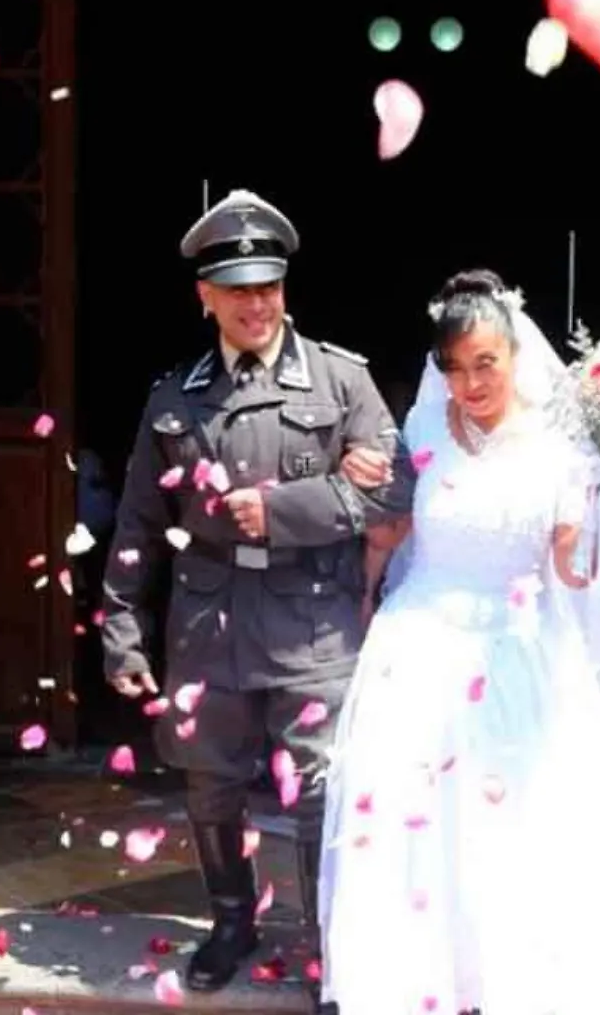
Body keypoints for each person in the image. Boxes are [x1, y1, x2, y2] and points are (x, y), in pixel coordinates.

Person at [317, 270, 600, 1013]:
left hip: (520, 648)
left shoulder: (563, 450)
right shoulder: (421, 431)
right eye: (454, 367)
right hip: (419, 641)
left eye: (485, 363)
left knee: (512, 821)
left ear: (515, 357)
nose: (469, 382)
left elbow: (572, 575)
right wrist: (363, 592)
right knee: (415, 815)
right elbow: (393, 532)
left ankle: (511, 976)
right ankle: (415, 973)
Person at [100, 189, 411, 1006]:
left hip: (314, 619)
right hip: (208, 622)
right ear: (205, 296)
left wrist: (283, 512)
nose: (256, 304)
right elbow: (138, 518)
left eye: (267, 286)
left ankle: (328, 940)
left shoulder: (343, 382)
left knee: (318, 789)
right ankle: (232, 922)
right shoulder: (174, 396)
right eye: (237, 289)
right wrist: (122, 632)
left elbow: (392, 494)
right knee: (211, 784)